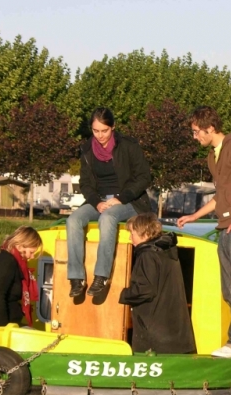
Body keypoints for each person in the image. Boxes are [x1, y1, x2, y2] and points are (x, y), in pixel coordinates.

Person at [177, 106, 231, 358]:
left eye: (196, 132)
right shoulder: (213, 157)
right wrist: (194, 215)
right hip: (226, 226)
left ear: (210, 128)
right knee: (229, 290)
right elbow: (220, 197)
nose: (194, 137)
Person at [67, 107, 151, 298]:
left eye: (104, 131)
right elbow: (85, 184)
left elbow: (144, 177)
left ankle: (101, 276)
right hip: (99, 201)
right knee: (73, 220)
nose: (100, 135)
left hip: (129, 200)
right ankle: (76, 278)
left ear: (113, 127)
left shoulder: (129, 146)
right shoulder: (87, 149)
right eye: (96, 131)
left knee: (108, 218)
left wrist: (120, 198)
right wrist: (96, 202)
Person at [119, 213, 196, 354]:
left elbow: (145, 290)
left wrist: (121, 294)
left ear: (145, 233)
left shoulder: (147, 255)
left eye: (132, 233)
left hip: (155, 338)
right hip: (174, 335)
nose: (130, 237)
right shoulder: (166, 251)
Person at [0, 226, 43, 327]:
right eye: (31, 252)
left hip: (6, 323)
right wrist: (4, 328)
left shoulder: (7, 259)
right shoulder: (7, 262)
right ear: (20, 246)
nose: (32, 257)